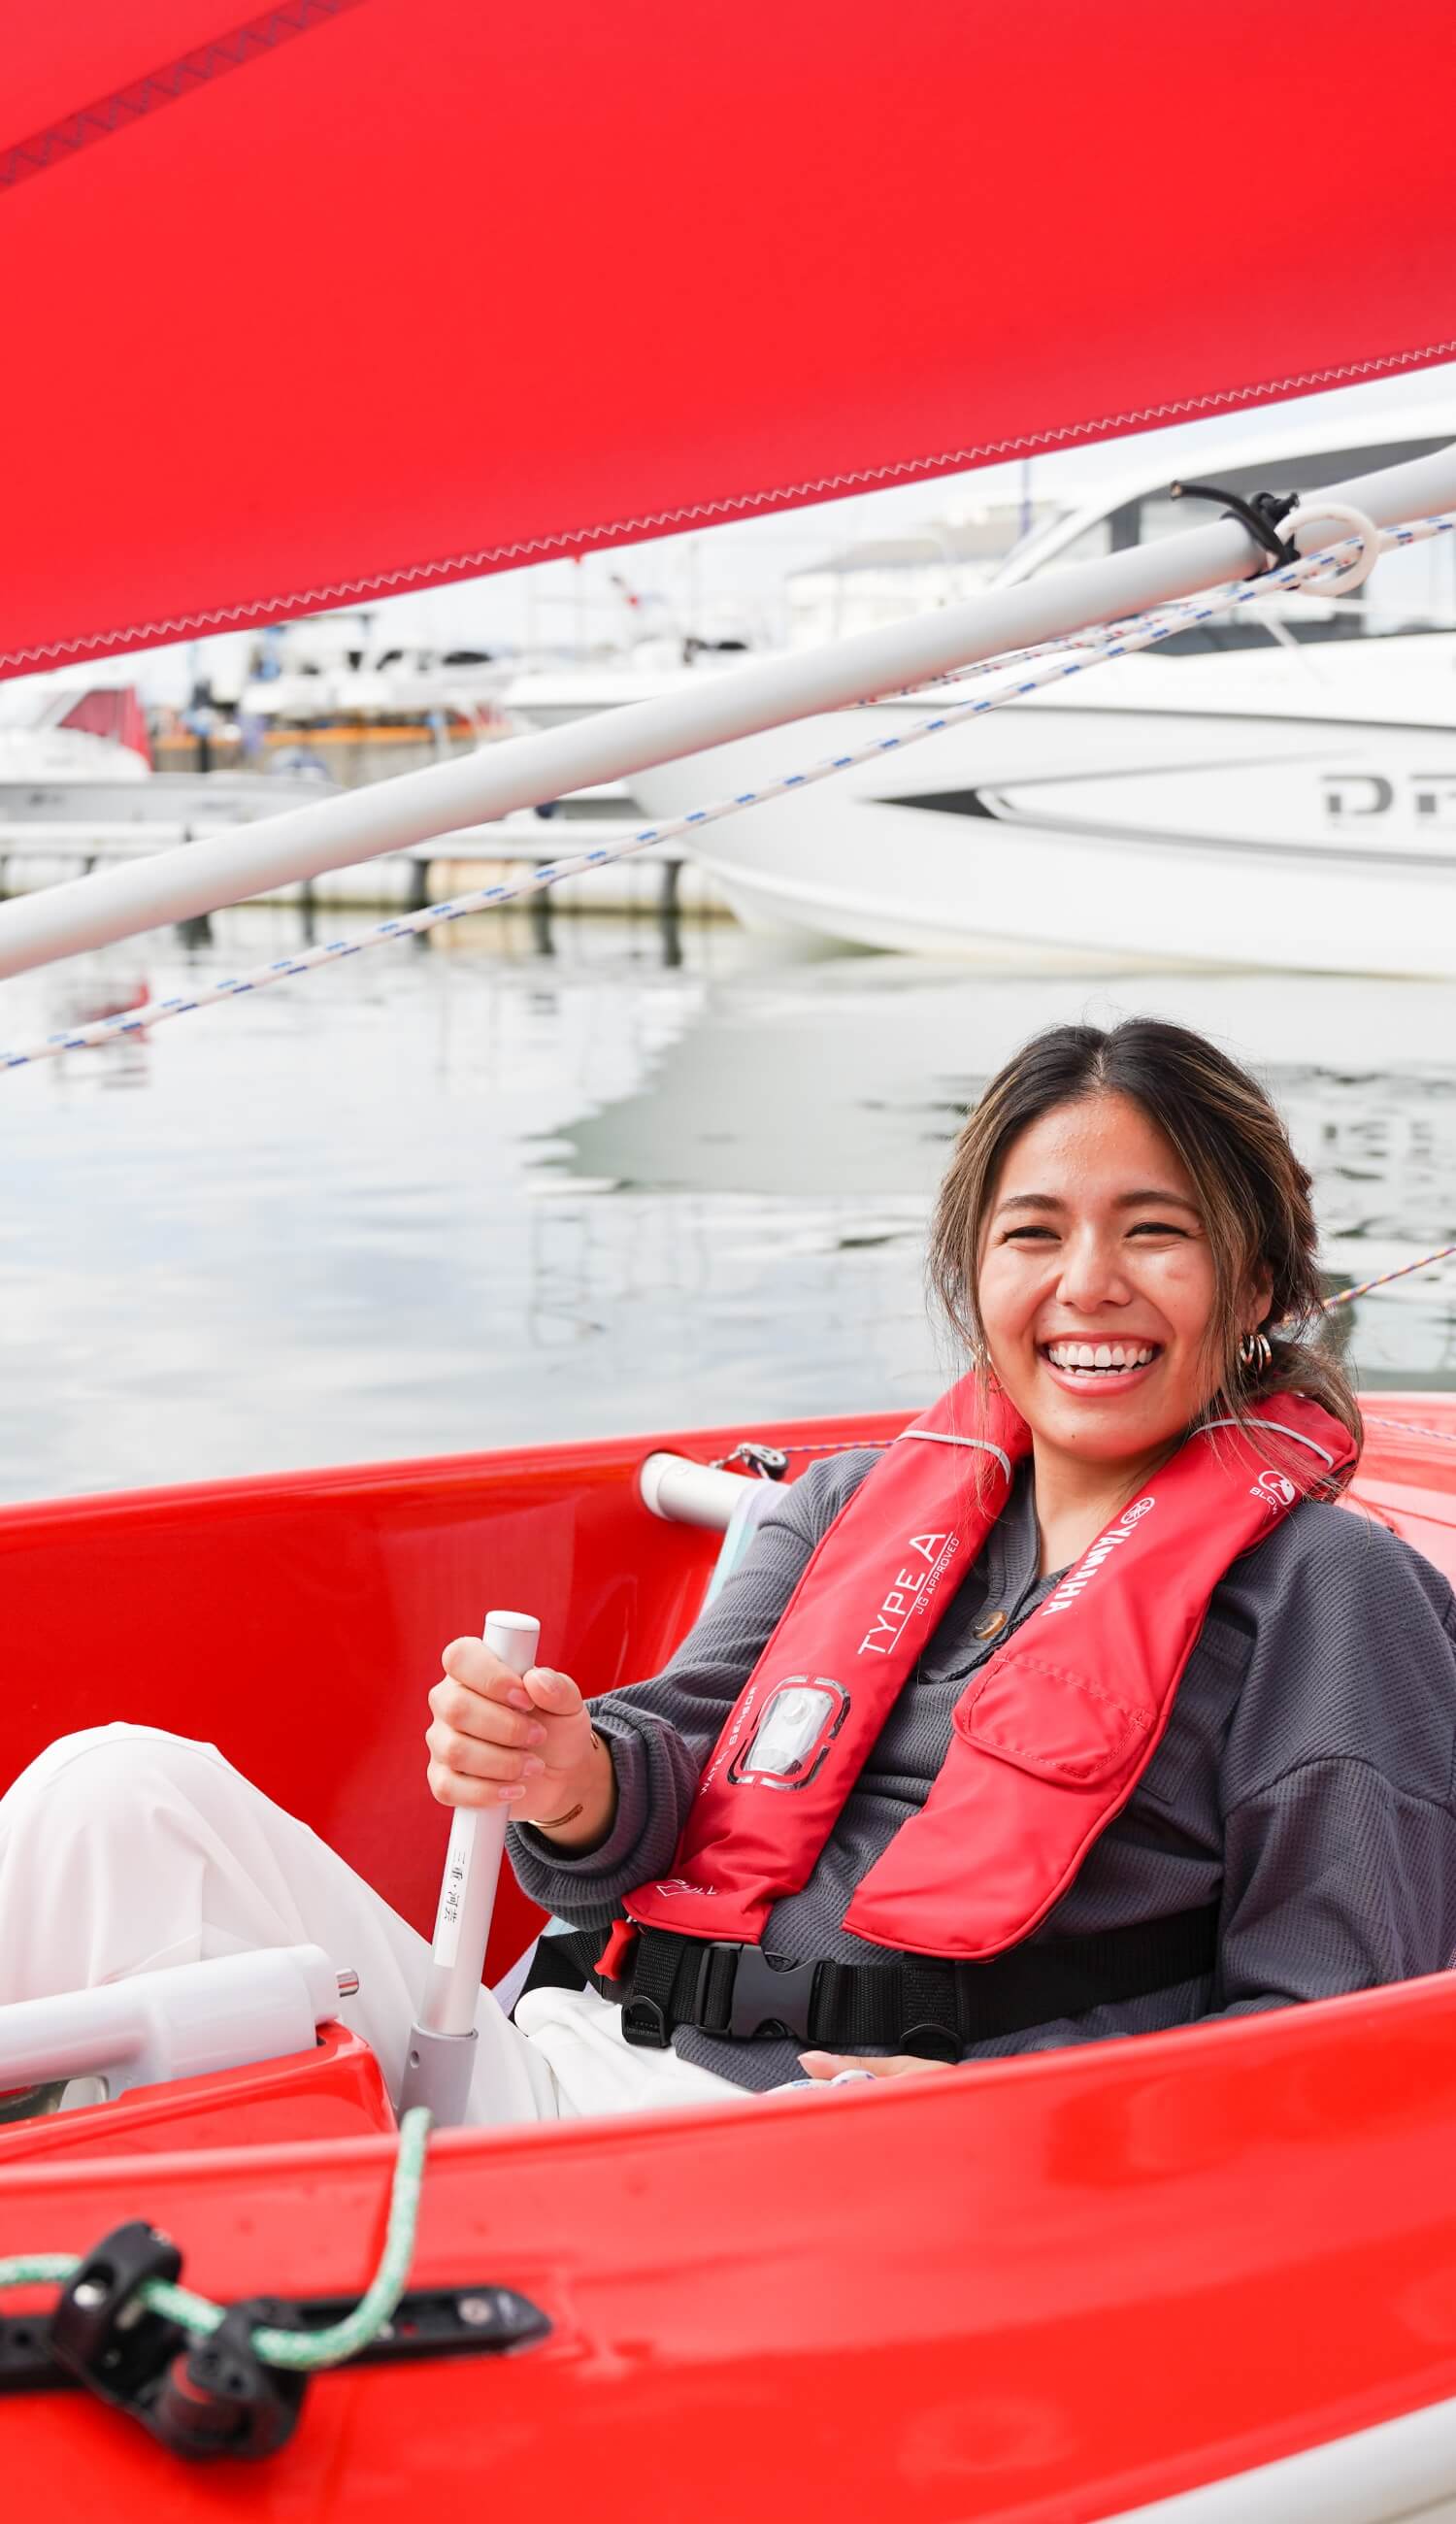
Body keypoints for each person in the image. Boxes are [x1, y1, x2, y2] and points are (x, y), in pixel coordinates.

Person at [5, 1019, 1456, 2125]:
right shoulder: (845, 1507)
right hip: (555, 2062)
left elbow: (1338, 2037)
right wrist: (569, 1773)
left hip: (858, 2174)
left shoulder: (1329, 1593)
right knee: (113, 1792)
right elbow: (670, 1769)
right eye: (1034, 1233)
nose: (1088, 1284)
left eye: (1157, 1233)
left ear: (1258, 1285)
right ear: (974, 1276)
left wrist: (1021, 2120)